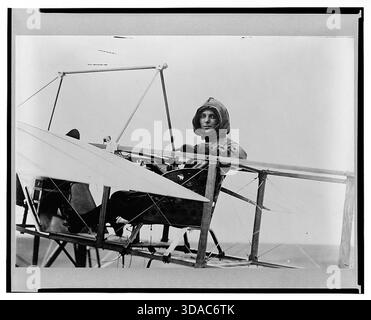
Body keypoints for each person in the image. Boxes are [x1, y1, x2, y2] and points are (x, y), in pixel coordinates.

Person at [64, 97, 247, 234]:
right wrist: (127, 157)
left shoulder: (224, 144)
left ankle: (81, 221)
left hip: (184, 208)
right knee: (121, 195)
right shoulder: (192, 149)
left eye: (212, 116)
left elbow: (242, 156)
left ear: (220, 121)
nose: (206, 120)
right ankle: (87, 221)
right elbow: (170, 169)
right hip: (173, 201)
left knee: (121, 200)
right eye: (203, 116)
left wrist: (207, 149)